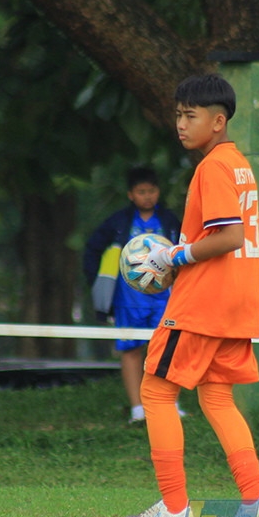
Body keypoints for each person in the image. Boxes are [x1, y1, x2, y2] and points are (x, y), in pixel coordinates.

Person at [124, 73, 259, 517]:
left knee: (154, 391)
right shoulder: (239, 164)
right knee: (216, 397)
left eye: (190, 116)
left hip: (203, 304)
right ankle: (255, 497)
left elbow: (228, 235)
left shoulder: (212, 168)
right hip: (238, 302)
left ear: (218, 120)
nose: (181, 124)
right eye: (177, 115)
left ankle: (175, 508)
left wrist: (175, 254)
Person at [82, 167, 184, 424]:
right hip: (128, 300)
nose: (147, 196)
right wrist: (100, 283)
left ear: (158, 192)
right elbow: (92, 249)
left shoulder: (170, 220)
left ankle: (170, 403)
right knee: (130, 350)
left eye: (152, 191)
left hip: (165, 297)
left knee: (166, 349)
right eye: (141, 192)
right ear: (130, 194)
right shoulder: (118, 222)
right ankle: (137, 409)